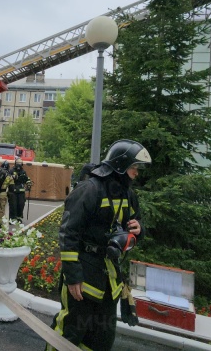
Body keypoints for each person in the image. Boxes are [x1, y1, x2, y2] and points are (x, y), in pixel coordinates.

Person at [46, 139, 151, 351]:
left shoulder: (127, 194)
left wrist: (138, 230)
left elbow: (134, 224)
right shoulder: (89, 190)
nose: (136, 173)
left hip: (109, 282)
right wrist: (73, 276)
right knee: (70, 333)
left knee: (102, 338)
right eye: (133, 167)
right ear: (121, 165)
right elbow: (68, 233)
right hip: (83, 280)